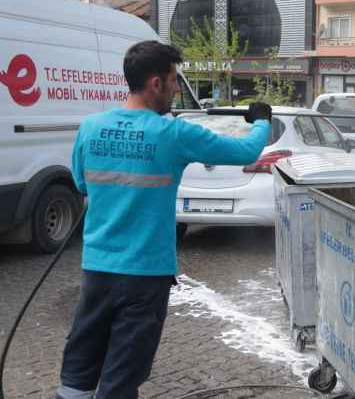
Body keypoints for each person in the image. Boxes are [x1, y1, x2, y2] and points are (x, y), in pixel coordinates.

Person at [56, 41, 272, 399]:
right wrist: (261, 121)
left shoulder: (90, 127)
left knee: (79, 366)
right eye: (174, 80)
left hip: (96, 270)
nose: (176, 88)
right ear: (155, 83)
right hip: (144, 278)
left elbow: (81, 183)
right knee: (123, 374)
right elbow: (246, 151)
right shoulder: (173, 133)